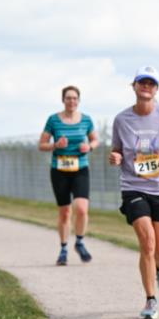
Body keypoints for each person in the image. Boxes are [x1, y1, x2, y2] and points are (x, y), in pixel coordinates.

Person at [109, 66, 159, 319]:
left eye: (151, 83)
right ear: (134, 86)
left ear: (157, 89)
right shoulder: (121, 120)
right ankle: (151, 300)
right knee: (147, 243)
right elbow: (117, 148)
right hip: (133, 186)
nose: (146, 87)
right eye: (142, 82)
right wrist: (116, 156)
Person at [39, 86, 98, 265]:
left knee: (81, 208)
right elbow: (41, 145)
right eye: (68, 98)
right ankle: (64, 248)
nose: (71, 101)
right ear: (63, 100)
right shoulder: (53, 120)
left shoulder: (86, 120)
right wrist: (55, 145)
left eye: (74, 98)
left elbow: (95, 139)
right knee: (65, 212)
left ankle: (79, 241)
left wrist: (90, 147)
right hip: (59, 170)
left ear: (78, 100)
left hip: (80, 169)